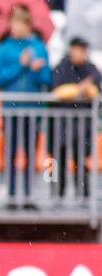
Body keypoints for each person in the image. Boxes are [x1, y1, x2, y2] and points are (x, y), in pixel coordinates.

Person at [0, 6, 52, 207]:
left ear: (27, 25)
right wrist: (21, 64)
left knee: (30, 151)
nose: (15, 27)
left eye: (19, 23)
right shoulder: (4, 48)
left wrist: (36, 70)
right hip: (11, 108)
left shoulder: (39, 47)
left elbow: (46, 78)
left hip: (32, 108)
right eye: (13, 23)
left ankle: (27, 194)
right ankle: (10, 194)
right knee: (10, 151)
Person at [48, 37, 101, 200]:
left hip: (81, 127)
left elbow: (96, 80)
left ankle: (83, 196)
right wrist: (78, 90)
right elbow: (57, 88)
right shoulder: (62, 67)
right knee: (56, 163)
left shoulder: (90, 68)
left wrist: (87, 85)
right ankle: (56, 195)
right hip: (60, 125)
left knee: (81, 163)